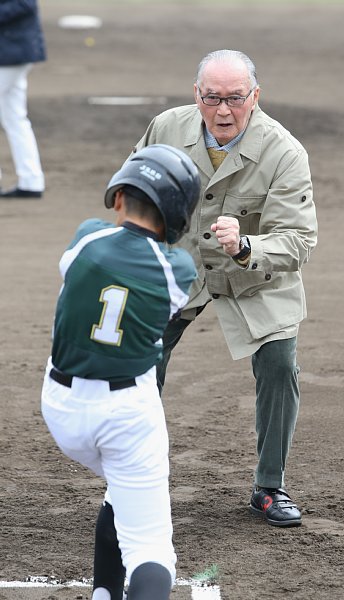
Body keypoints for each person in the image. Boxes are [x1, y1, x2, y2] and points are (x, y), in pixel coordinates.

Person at [130, 49, 318, 528]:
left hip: (255, 273)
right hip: (179, 266)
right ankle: (133, 476)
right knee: (139, 358)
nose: (222, 111)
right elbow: (132, 190)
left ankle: (269, 485)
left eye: (235, 97)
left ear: (255, 96)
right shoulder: (166, 128)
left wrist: (245, 246)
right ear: (196, 94)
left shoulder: (284, 151)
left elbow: (297, 241)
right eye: (211, 97)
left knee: (279, 365)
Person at [41, 144, 201, 600]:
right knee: (151, 549)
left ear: (117, 198)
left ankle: (104, 593)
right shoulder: (177, 270)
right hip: (125, 415)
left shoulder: (85, 238)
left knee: (122, 489)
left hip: (60, 407)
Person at [0, 0, 46, 198]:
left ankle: (31, 180)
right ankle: (31, 181)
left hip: (11, 51)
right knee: (15, 118)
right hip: (13, 50)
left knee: (15, 118)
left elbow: (25, 3)